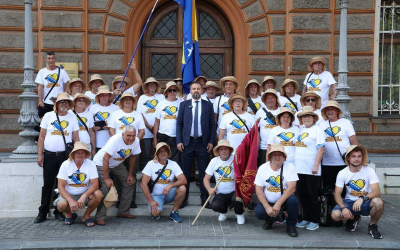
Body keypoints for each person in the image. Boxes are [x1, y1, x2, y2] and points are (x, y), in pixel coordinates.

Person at [35, 92, 79, 223]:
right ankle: (42, 212)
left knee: (62, 186)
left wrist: (76, 157)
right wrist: (39, 155)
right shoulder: (48, 116)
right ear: (57, 104)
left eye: (66, 102)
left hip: (65, 157)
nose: (64, 104)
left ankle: (59, 211)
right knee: (47, 185)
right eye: (61, 102)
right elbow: (41, 137)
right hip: (49, 156)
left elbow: (76, 138)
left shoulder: (72, 117)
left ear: (69, 104)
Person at [176, 81, 216, 208]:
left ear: (202, 90)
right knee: (186, 172)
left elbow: (212, 125)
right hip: (187, 143)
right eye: (194, 89)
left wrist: (211, 141)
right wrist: (179, 140)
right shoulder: (183, 105)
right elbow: (179, 124)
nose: (196, 91)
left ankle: (205, 200)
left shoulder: (208, 105)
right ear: (190, 91)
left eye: (198, 88)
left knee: (204, 173)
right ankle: (183, 199)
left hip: (202, 143)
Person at [331, 145, 384, 239]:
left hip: (365, 202)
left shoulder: (369, 171)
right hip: (349, 201)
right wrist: (343, 208)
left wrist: (362, 198)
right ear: (348, 158)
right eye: (353, 156)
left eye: (359, 156)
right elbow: (337, 194)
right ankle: (353, 218)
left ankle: (372, 225)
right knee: (335, 215)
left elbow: (377, 192)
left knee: (378, 202)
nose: (357, 159)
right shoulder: (342, 173)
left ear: (362, 157)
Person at [92, 125, 141, 225]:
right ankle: (100, 217)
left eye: (133, 135)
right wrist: (106, 178)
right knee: (106, 187)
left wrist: (130, 174)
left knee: (130, 182)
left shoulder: (135, 141)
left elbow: (133, 157)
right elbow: (105, 158)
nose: (131, 138)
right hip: (101, 163)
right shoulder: (115, 140)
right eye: (128, 135)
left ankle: (123, 211)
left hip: (116, 164)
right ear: (123, 134)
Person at [254, 144, 299, 237]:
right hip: (269, 201)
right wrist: (267, 207)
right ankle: (270, 219)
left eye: (280, 154)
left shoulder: (290, 167)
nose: (277, 157)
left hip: (284, 201)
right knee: (259, 212)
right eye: (274, 154)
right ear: (270, 156)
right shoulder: (263, 168)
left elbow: (292, 188)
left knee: (293, 201)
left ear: (284, 157)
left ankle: (291, 225)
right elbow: (258, 189)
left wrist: (278, 204)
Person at [54, 142, 103, 226]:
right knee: (61, 205)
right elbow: (60, 187)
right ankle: (69, 215)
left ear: (86, 154)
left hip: (85, 193)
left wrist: (84, 196)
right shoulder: (65, 164)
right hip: (68, 193)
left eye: (82, 152)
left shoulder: (91, 164)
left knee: (99, 194)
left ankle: (86, 216)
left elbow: (95, 184)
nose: (80, 155)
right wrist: (70, 200)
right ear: (73, 154)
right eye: (77, 152)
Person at [294, 106, 325, 231]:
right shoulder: (301, 130)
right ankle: (306, 218)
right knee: (303, 195)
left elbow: (321, 148)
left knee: (312, 195)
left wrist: (316, 165)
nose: (306, 118)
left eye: (309, 116)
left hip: (311, 169)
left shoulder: (317, 130)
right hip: (299, 168)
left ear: (314, 118)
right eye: (304, 116)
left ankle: (314, 220)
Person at [141, 143, 187, 222]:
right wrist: (151, 201)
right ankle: (157, 209)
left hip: (169, 193)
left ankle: (174, 212)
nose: (163, 153)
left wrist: (170, 186)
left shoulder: (173, 164)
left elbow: (183, 180)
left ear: (169, 153)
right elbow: (143, 184)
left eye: (165, 151)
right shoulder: (151, 164)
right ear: (157, 153)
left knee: (182, 188)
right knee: (155, 214)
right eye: (160, 151)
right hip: (156, 196)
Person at [319, 100, 358, 191]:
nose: (330, 111)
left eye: (332, 109)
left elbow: (354, 142)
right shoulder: (321, 125)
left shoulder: (346, 122)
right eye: (328, 109)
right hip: (327, 163)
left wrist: (356, 160)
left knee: (344, 190)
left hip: (343, 162)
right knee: (328, 191)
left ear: (337, 111)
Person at [204, 140, 245, 224]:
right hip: (221, 193)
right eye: (221, 149)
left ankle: (239, 213)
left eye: (226, 149)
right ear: (218, 151)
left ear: (230, 150)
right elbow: (206, 178)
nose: (224, 151)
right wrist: (209, 189)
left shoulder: (236, 158)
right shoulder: (214, 161)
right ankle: (223, 212)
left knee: (238, 199)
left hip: (235, 191)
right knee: (215, 205)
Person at [137, 77, 165, 168]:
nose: (152, 85)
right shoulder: (142, 98)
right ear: (147, 87)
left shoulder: (161, 97)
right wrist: (149, 126)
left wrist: (156, 127)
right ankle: (146, 174)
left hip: (160, 129)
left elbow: (163, 112)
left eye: (154, 84)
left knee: (160, 152)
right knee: (147, 154)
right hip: (146, 131)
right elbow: (140, 114)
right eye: (150, 84)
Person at [153, 81, 182, 164]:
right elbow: (156, 122)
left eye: (174, 90)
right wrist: (155, 138)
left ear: (177, 91)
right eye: (170, 90)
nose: (172, 92)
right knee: (163, 158)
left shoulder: (182, 103)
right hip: (163, 135)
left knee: (176, 160)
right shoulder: (161, 104)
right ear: (166, 92)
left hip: (177, 136)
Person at [36, 51, 70, 119]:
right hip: (46, 102)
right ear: (46, 59)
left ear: (55, 59)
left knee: (59, 120)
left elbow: (68, 86)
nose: (51, 60)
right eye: (49, 58)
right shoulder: (42, 72)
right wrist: (40, 101)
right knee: (44, 123)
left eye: (52, 58)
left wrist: (62, 97)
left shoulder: (62, 72)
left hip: (59, 102)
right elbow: (40, 88)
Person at [89, 86, 119, 152]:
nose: (104, 97)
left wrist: (110, 127)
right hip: (97, 143)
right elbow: (90, 125)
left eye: (106, 95)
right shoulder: (93, 108)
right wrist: (94, 127)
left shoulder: (116, 108)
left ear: (109, 96)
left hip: (111, 143)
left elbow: (119, 125)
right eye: (102, 95)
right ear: (98, 97)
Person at [255, 89, 280, 166]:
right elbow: (257, 132)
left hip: (278, 148)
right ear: (265, 101)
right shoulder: (259, 112)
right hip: (264, 148)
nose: (270, 100)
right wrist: (256, 150)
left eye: (272, 98)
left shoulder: (281, 111)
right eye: (268, 98)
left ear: (276, 99)